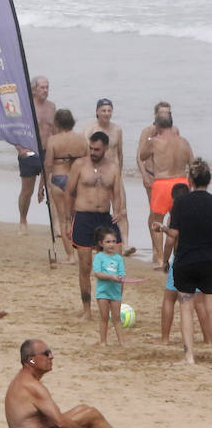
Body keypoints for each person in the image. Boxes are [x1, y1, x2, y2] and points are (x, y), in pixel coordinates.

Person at [4, 338, 161, 428]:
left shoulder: (23, 380)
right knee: (91, 415)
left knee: (83, 409)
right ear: (31, 360)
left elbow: (53, 420)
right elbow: (60, 422)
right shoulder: (32, 386)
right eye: (46, 353)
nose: (51, 356)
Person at [64, 131, 125, 319]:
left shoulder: (113, 168)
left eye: (97, 149)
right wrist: (67, 221)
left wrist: (118, 210)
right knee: (85, 266)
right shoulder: (79, 165)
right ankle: (87, 310)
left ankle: (114, 308)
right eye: (90, 148)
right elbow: (69, 192)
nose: (92, 152)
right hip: (83, 217)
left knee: (116, 262)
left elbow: (117, 194)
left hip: (105, 218)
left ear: (105, 148)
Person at [161, 159, 212, 364]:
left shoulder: (181, 203)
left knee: (186, 307)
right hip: (209, 260)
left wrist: (162, 229)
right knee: (209, 304)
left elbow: (174, 234)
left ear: (189, 179)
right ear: (209, 180)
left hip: (185, 260)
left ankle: (189, 356)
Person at [140, 109, 193, 268]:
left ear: (157, 126)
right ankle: (179, 256)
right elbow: (193, 164)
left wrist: (150, 137)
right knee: (179, 221)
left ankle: (160, 258)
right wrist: (190, 184)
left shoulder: (154, 141)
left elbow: (142, 156)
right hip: (182, 183)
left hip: (162, 183)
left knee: (157, 220)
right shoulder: (183, 142)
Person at [44, 110, 87, 264]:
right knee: (77, 218)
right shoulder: (81, 139)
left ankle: (70, 256)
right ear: (72, 121)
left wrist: (42, 185)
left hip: (58, 178)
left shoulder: (53, 140)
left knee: (63, 219)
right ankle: (82, 252)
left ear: (56, 123)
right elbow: (88, 161)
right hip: (76, 179)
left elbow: (48, 165)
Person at [17, 75, 56, 233]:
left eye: (47, 87)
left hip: (48, 151)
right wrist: (20, 149)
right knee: (28, 190)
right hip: (30, 151)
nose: (45, 90)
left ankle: (55, 224)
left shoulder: (52, 107)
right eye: (42, 87)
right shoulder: (26, 107)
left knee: (52, 188)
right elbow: (16, 129)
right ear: (34, 90)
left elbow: (54, 131)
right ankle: (23, 220)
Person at [91, 227, 131, 346]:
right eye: (108, 242)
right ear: (101, 243)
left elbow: (122, 275)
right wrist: (111, 276)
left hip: (115, 293)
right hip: (102, 292)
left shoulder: (119, 259)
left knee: (117, 318)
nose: (111, 244)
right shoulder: (99, 257)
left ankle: (121, 341)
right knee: (104, 317)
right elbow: (97, 273)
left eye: (113, 241)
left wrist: (120, 281)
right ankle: (103, 341)